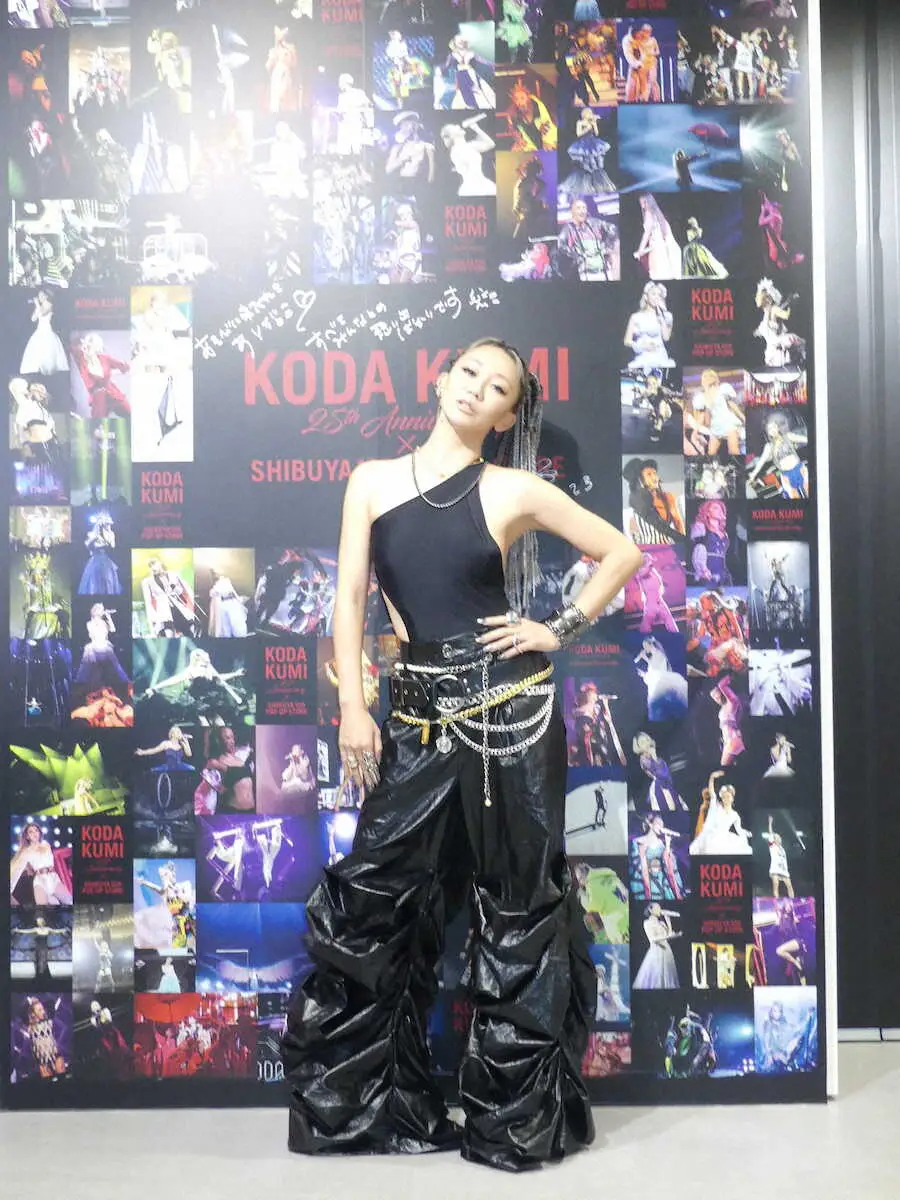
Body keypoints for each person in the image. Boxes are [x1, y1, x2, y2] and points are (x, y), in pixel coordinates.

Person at [281, 337, 642, 1171]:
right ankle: (374, 1109)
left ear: (509, 415)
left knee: (518, 905)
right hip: (413, 715)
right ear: (443, 379)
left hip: (510, 715)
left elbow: (622, 552)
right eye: (470, 372)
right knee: (375, 898)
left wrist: (557, 629)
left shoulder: (512, 487)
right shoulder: (370, 480)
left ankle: (512, 1123)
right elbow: (348, 597)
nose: (478, 389)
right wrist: (353, 707)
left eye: (498, 387)